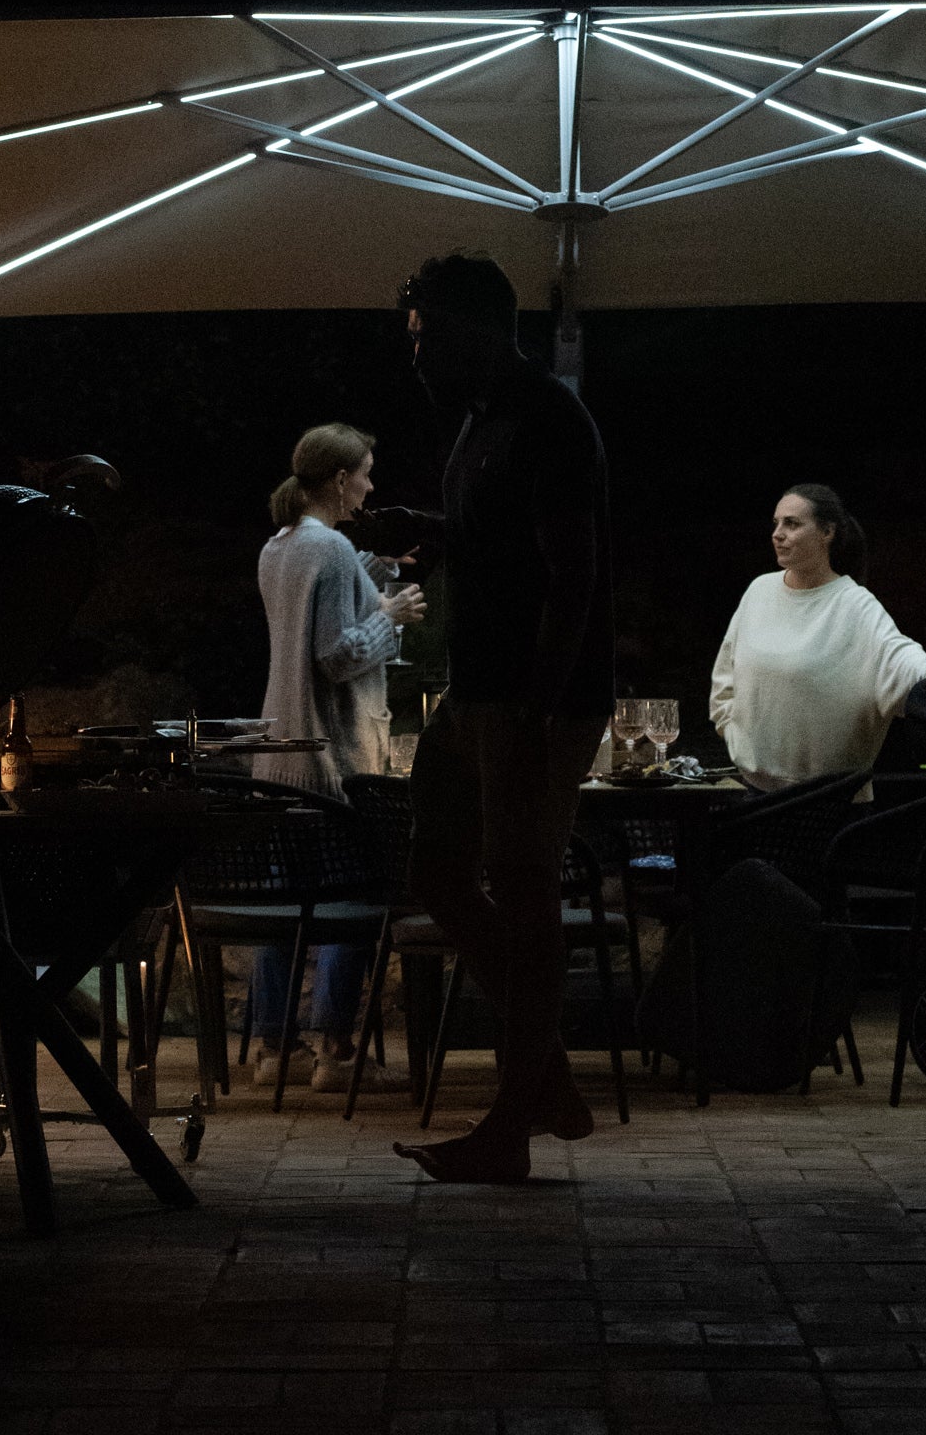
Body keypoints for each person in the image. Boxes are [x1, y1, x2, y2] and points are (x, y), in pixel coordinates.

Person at [362, 252, 615, 1184]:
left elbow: (574, 569)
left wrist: (543, 712)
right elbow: (500, 540)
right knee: (436, 869)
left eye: (427, 338)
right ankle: (544, 1074)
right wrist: (423, 526)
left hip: (531, 697)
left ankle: (512, 1122)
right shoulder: (476, 423)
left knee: (523, 886)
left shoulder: (550, 417)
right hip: (479, 690)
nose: (418, 359)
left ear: (477, 328)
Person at [250, 421, 425, 1091]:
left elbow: (314, 602)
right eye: (366, 472)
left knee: (283, 904)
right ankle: (335, 1049)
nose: (372, 485)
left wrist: (374, 574)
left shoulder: (281, 545)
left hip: (279, 751)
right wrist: (394, 614)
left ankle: (273, 1048)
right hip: (333, 758)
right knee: (351, 898)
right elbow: (336, 653)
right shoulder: (327, 550)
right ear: (339, 478)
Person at [709, 483, 926, 789]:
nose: (778, 533)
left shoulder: (854, 604)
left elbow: (898, 655)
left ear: (827, 532)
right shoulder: (759, 590)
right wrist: (732, 732)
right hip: (754, 791)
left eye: (792, 524)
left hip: (829, 801)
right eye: (776, 523)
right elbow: (725, 675)